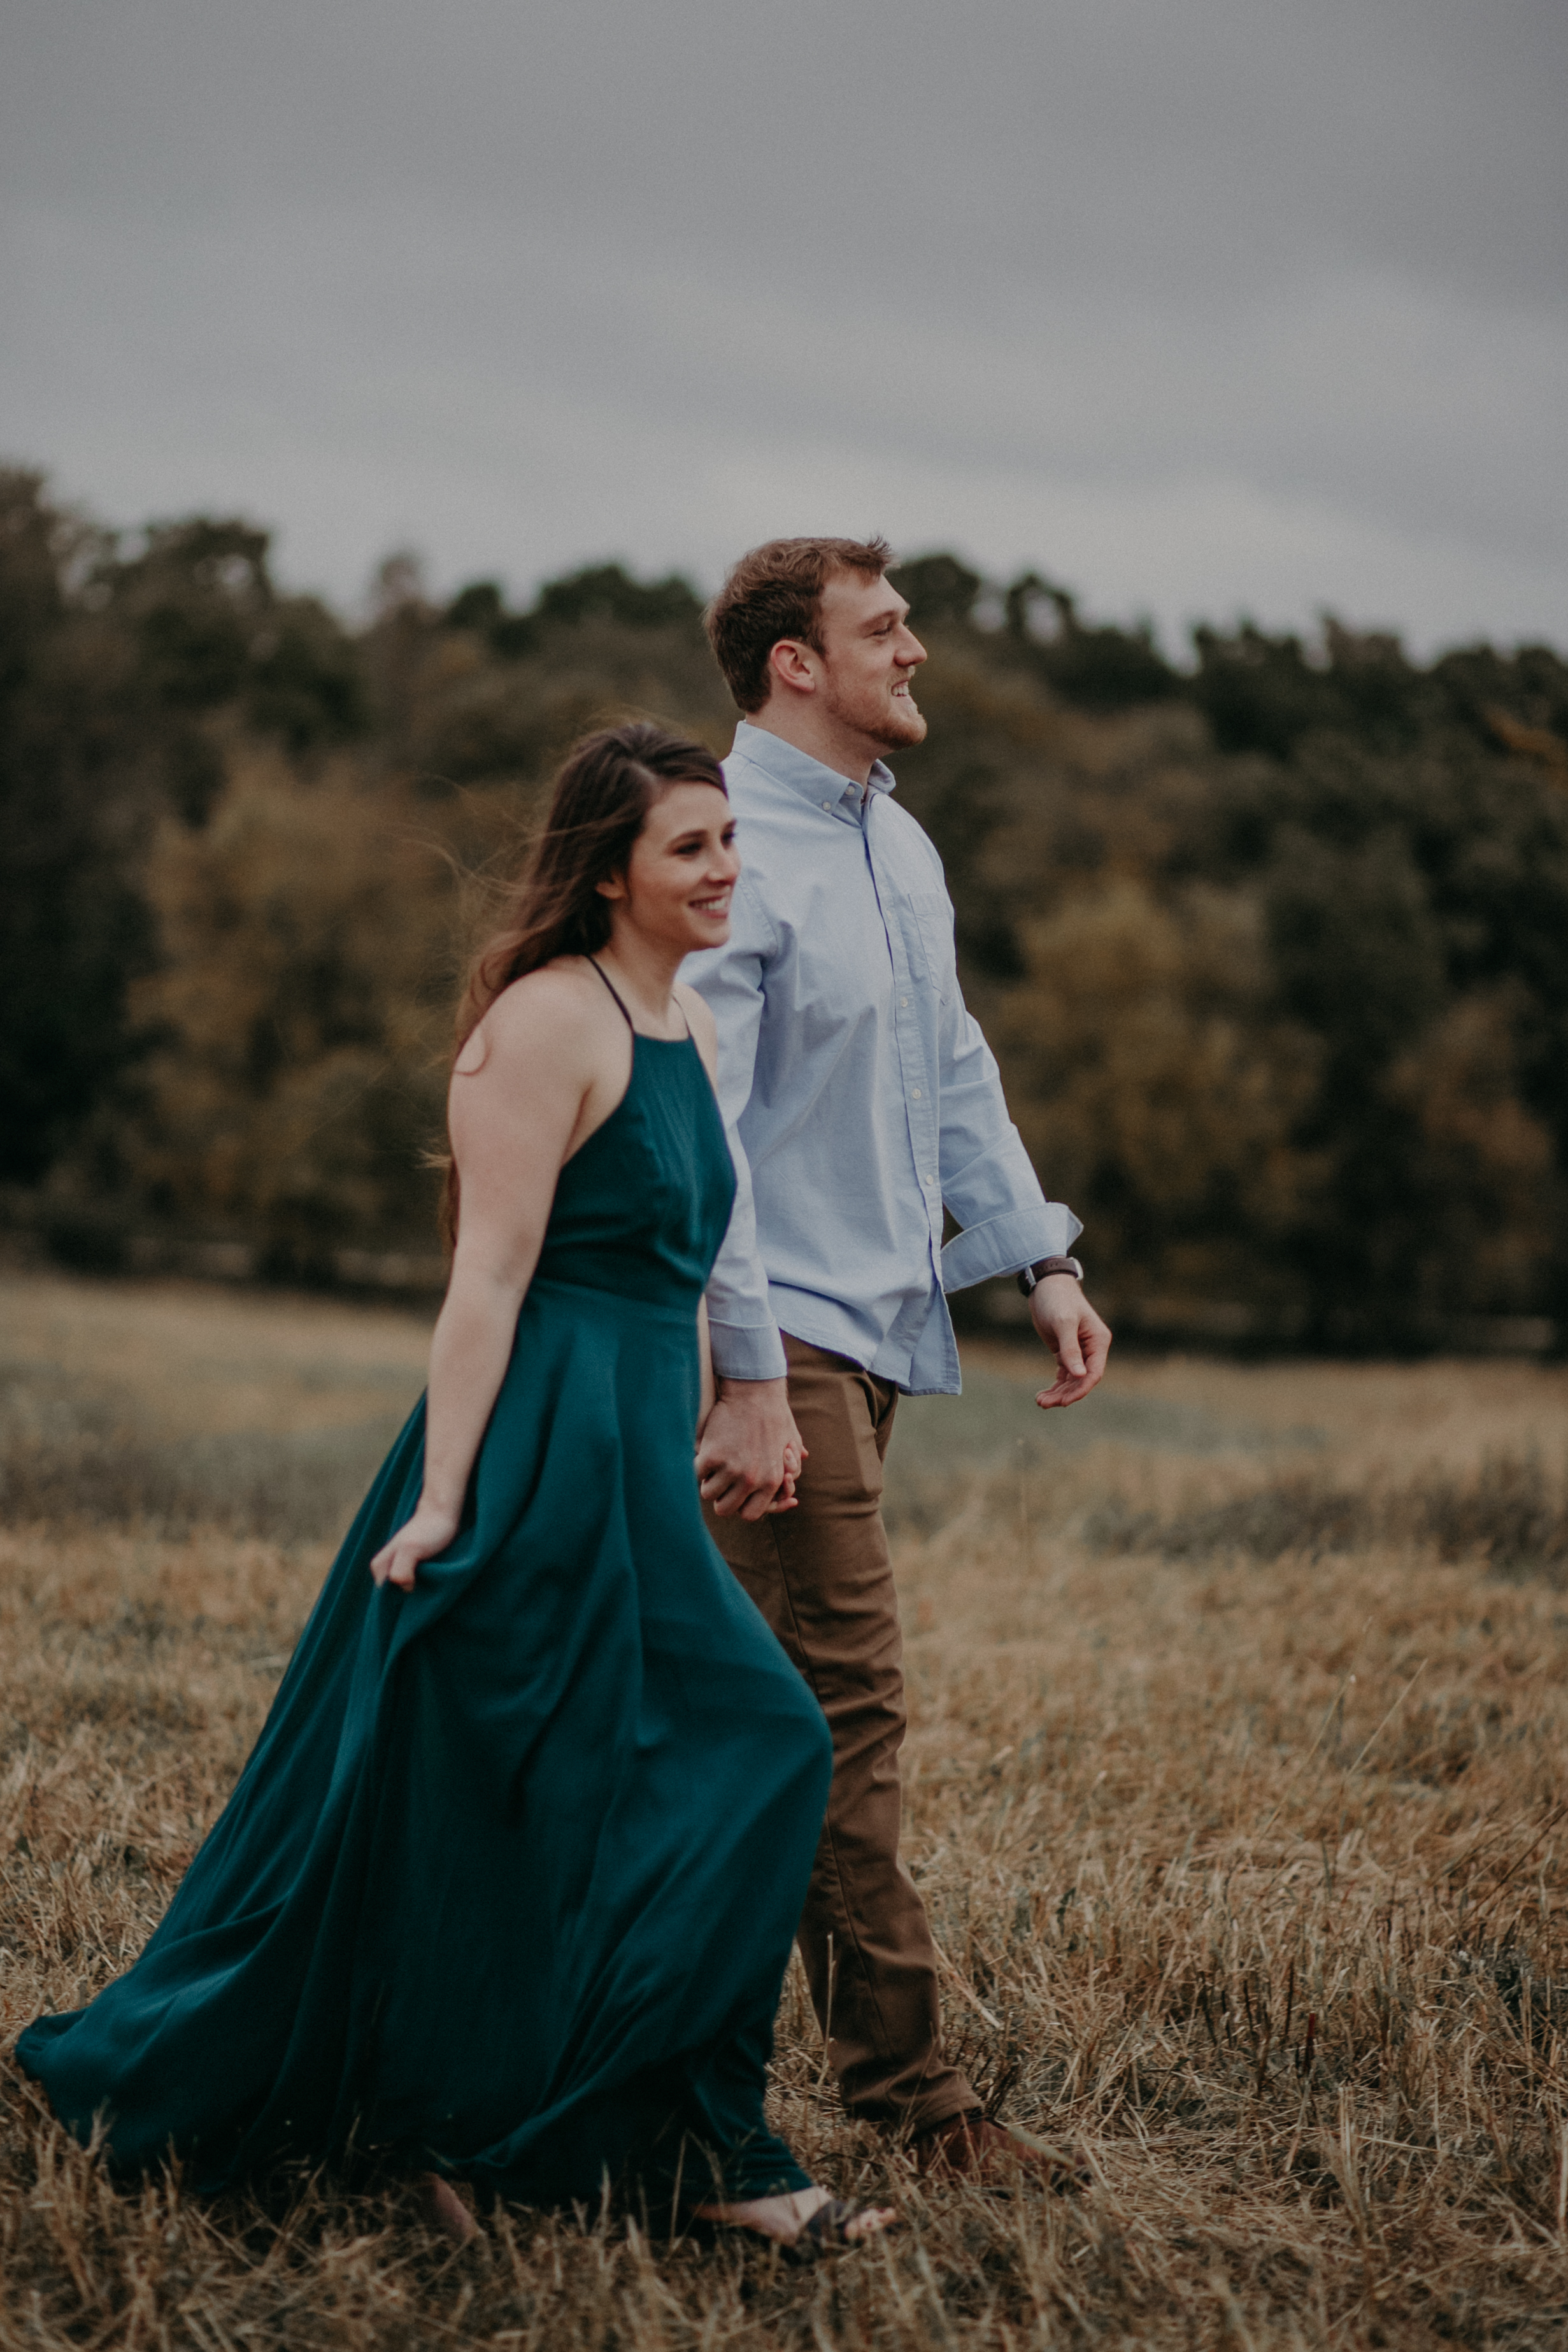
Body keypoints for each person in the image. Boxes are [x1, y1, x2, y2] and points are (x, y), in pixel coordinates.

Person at [17, 722, 894, 2255]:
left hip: (634, 1468)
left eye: (730, 842)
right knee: (512, 1797)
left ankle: (665, 2135)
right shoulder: (542, 1027)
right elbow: (485, 1279)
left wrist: (722, 1405)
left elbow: (685, 1267)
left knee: (746, 1750)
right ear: (607, 867)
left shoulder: (675, 1016)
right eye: (691, 846)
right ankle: (529, 2138)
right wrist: (440, 1498)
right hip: (530, 1453)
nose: (725, 869)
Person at [686, 540, 1113, 2182]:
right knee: (841, 1711)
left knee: (764, 1714)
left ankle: (671, 2061)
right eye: (883, 628)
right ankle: (916, 2105)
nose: (915, 651)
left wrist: (1041, 1259)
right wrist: (739, 1363)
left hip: (866, 1334)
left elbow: (951, 1068)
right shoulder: (728, 848)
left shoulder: (899, 847)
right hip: (768, 1332)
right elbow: (701, 1128)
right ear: (794, 663)